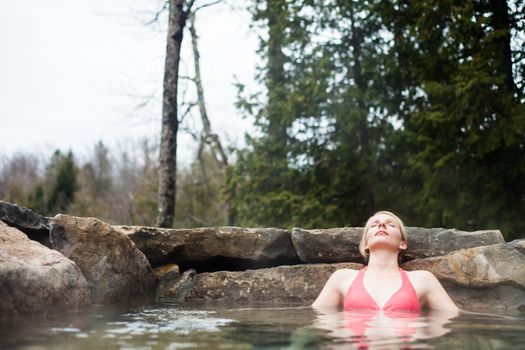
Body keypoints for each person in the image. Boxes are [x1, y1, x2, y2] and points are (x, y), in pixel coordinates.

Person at [312, 211, 458, 312]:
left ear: (403, 243)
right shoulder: (341, 278)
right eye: (374, 225)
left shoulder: (424, 280)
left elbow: (452, 324)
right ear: (365, 244)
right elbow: (316, 325)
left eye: (391, 225)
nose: (381, 225)